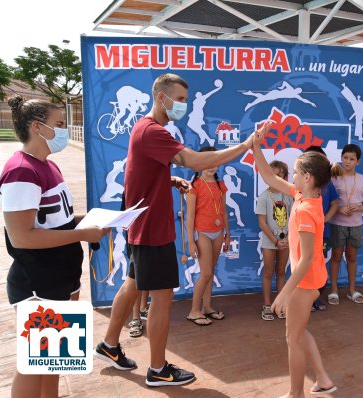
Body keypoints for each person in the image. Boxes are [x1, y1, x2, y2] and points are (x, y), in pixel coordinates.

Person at [94, 73, 259, 387]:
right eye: (181, 100)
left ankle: (109, 345)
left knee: (131, 284)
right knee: (162, 298)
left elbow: (137, 172)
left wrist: (167, 180)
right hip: (152, 230)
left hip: (139, 225)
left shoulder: (145, 129)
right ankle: (158, 369)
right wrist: (245, 146)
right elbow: (194, 160)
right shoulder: (152, 131)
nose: (185, 105)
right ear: (161, 97)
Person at [0, 96, 108, 398]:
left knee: (54, 361)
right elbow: (22, 236)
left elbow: (56, 222)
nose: (64, 130)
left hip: (61, 279)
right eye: (59, 125)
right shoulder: (20, 171)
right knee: (33, 365)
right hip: (38, 283)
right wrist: (82, 234)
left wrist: (90, 222)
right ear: (38, 127)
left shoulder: (48, 166)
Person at [252, 123, 336, 397]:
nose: (293, 175)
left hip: (306, 281)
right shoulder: (303, 196)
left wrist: (285, 292)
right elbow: (270, 178)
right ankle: (323, 379)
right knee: (299, 332)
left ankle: (295, 394)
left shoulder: (307, 211)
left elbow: (307, 257)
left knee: (293, 338)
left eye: (297, 172)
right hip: (310, 279)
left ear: (308, 177)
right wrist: (255, 145)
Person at [185, 146, 230, 326]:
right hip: (202, 233)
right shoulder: (194, 186)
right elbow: (189, 216)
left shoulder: (221, 185)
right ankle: (194, 311)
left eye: (214, 162)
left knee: (210, 272)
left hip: (218, 233)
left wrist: (228, 234)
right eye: (207, 162)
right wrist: (190, 242)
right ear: (200, 164)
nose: (211, 166)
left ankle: (207, 307)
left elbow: (224, 212)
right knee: (205, 273)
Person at [327, 144, 363, 305]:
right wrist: (339, 209)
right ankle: (333, 290)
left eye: (352, 159)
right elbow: (328, 202)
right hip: (337, 224)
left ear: (358, 162)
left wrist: (360, 207)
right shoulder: (334, 178)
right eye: (345, 158)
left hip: (355, 225)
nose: (347, 161)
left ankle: (351, 290)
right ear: (341, 158)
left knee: (352, 257)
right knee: (336, 256)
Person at [256, 160, 293, 321]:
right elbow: (262, 222)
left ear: (285, 177)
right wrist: (275, 240)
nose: (275, 178)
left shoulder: (289, 196)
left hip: (286, 241)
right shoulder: (264, 196)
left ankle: (281, 304)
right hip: (270, 241)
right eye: (272, 175)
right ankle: (266, 304)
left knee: (281, 272)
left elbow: (294, 219)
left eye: (279, 175)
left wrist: (289, 238)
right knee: (268, 272)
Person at [304, 146, 340, 312]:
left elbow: (335, 203)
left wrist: (325, 219)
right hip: (304, 233)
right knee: (304, 266)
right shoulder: (301, 183)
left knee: (318, 267)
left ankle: (315, 299)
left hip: (323, 234)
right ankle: (304, 300)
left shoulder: (328, 184)